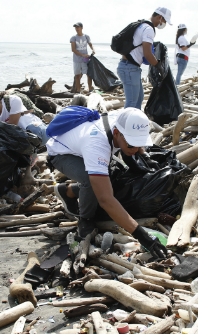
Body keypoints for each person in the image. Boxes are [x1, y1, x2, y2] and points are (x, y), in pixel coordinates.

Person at [47, 107, 168, 259]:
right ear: (116, 133)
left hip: (83, 144)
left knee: (111, 176)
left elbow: (134, 139)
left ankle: (68, 191)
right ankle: (84, 219)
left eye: (140, 144)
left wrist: (145, 156)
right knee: (91, 182)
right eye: (131, 145)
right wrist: (142, 235)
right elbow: (105, 199)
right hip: (61, 153)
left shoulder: (123, 119)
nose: (136, 149)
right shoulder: (97, 144)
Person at [117, 7, 172, 109]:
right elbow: (148, 54)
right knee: (132, 102)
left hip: (130, 67)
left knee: (138, 98)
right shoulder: (149, 29)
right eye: (164, 21)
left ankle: (134, 123)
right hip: (129, 68)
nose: (164, 24)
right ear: (160, 17)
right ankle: (124, 124)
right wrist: (158, 66)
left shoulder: (142, 25)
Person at [0, 81, 49, 148]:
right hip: (19, 140)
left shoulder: (13, 101)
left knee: (32, 129)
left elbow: (11, 129)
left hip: (39, 133)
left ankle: (32, 157)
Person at [70, 22, 95, 93]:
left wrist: (93, 50)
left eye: (78, 27)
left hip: (85, 60)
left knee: (89, 75)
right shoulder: (73, 38)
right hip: (77, 60)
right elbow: (73, 50)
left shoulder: (86, 36)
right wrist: (83, 55)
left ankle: (90, 89)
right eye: (75, 27)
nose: (76, 29)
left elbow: (90, 44)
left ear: (82, 28)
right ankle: (78, 91)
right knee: (77, 76)